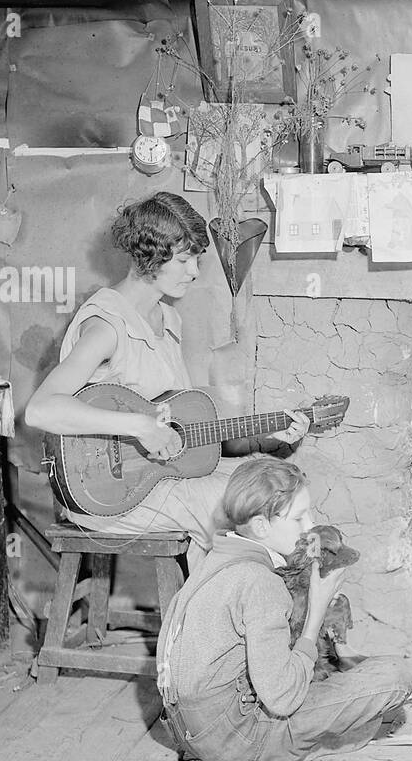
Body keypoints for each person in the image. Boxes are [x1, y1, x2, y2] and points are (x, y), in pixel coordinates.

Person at [24, 192, 310, 568]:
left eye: (197, 258)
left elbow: (186, 435)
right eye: (184, 259)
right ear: (150, 256)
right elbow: (41, 410)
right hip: (107, 491)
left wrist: (269, 437)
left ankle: (236, 612)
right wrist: (138, 426)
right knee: (248, 510)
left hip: (159, 478)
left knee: (275, 485)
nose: (194, 271)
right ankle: (236, 617)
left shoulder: (166, 319)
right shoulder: (106, 326)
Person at [155, 456, 412, 761]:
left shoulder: (215, 558)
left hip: (186, 731)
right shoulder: (259, 581)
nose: (310, 529)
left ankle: (330, 734)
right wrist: (317, 611)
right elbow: (283, 699)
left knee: (345, 691)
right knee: (394, 678)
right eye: (300, 518)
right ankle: (317, 743)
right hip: (236, 742)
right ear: (262, 526)